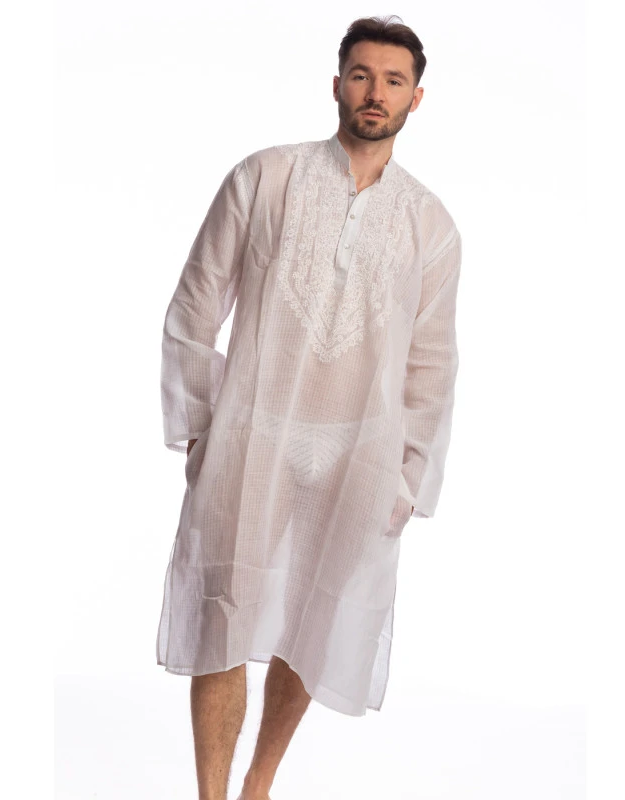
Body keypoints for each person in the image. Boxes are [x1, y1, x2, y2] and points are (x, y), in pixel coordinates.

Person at [156, 14, 463, 800]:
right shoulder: (265, 178)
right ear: (336, 84)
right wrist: (200, 431)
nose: (375, 92)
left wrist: (408, 478)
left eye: (393, 80)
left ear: (416, 98)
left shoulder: (430, 226)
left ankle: (258, 786)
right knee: (223, 615)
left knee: (311, 621)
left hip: (358, 452)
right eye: (361, 75)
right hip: (254, 434)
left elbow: (432, 363)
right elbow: (194, 307)